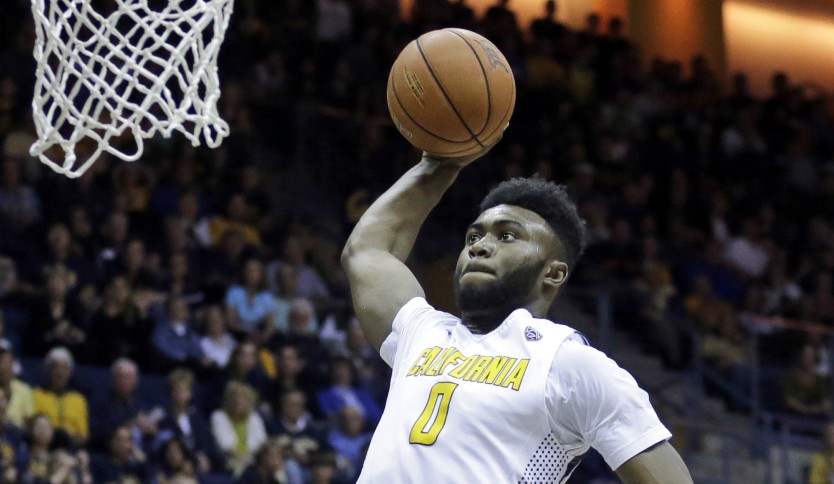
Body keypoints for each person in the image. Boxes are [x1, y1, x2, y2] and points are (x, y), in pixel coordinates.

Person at [340, 148, 693, 482]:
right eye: (473, 236)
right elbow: (366, 251)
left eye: (506, 236)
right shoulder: (422, 333)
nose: (479, 245)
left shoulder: (570, 364)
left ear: (553, 273)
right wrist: (438, 165)